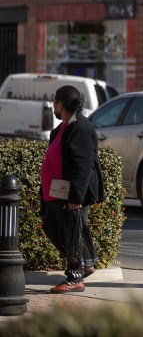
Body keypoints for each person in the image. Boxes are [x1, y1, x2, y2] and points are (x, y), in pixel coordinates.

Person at [40, 85, 104, 294]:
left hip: (72, 193)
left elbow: (82, 166)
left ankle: (75, 276)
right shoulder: (64, 127)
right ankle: (85, 263)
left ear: (60, 104)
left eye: (54, 102)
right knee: (52, 227)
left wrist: (75, 198)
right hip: (57, 190)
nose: (53, 106)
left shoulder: (80, 128)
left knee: (71, 232)